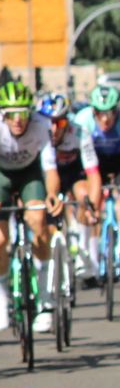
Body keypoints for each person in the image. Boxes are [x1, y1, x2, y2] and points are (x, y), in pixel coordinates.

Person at [0, 81, 61, 332]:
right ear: (3, 114)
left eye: (22, 113)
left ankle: (44, 295)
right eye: (11, 114)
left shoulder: (42, 125)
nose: (18, 120)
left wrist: (52, 194)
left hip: (29, 174)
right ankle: (2, 294)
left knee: (38, 222)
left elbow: (50, 169)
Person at [37, 92, 99, 320]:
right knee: (46, 218)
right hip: (45, 176)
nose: (54, 129)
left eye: (60, 123)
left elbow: (93, 172)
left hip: (72, 174)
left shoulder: (79, 133)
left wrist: (92, 205)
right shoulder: (37, 134)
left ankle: (82, 250)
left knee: (83, 195)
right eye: (49, 123)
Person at [75, 85, 120, 279]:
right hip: (92, 163)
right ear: (92, 111)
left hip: (117, 162)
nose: (105, 119)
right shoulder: (82, 121)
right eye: (100, 113)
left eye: (110, 113)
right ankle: (86, 255)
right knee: (88, 202)